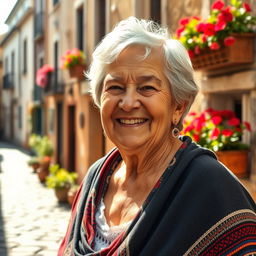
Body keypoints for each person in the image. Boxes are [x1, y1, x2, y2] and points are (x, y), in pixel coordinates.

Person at [58, 17, 256, 256]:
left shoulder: (212, 187)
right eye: (115, 87)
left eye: (147, 88)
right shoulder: (95, 178)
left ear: (178, 107)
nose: (129, 103)